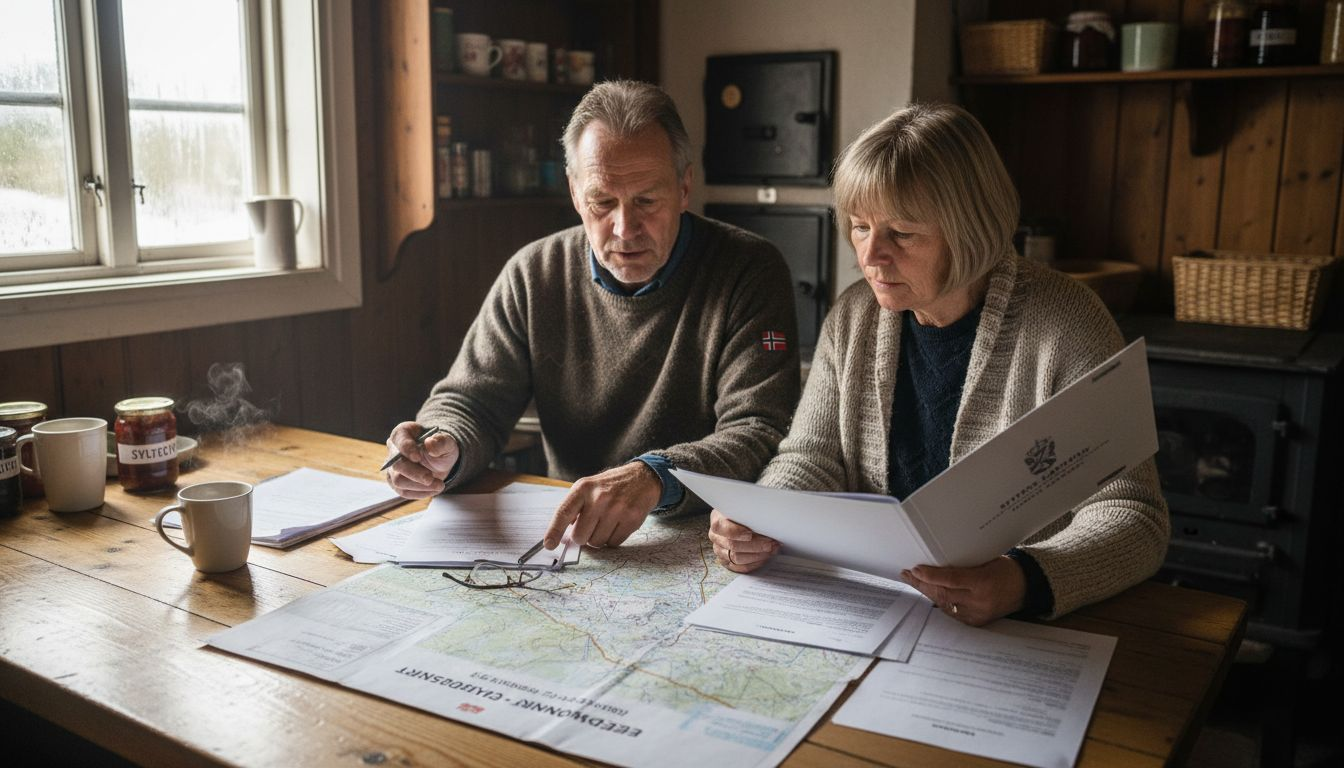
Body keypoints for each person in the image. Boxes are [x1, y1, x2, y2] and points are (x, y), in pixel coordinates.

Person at [708, 103, 1169, 626]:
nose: (871, 256)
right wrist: (761, 518)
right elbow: (814, 456)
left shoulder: (1068, 322)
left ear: (969, 229)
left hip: (1016, 631)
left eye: (902, 234)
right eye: (860, 227)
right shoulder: (854, 315)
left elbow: (1135, 514)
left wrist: (1024, 581)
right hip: (879, 613)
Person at [385, 80, 800, 552]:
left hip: (705, 539)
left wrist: (653, 478)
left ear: (685, 187)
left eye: (647, 200)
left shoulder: (750, 270)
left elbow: (762, 430)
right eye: (602, 202)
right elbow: (472, 400)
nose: (625, 228)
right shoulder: (533, 273)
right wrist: (442, 446)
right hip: (570, 535)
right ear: (575, 192)